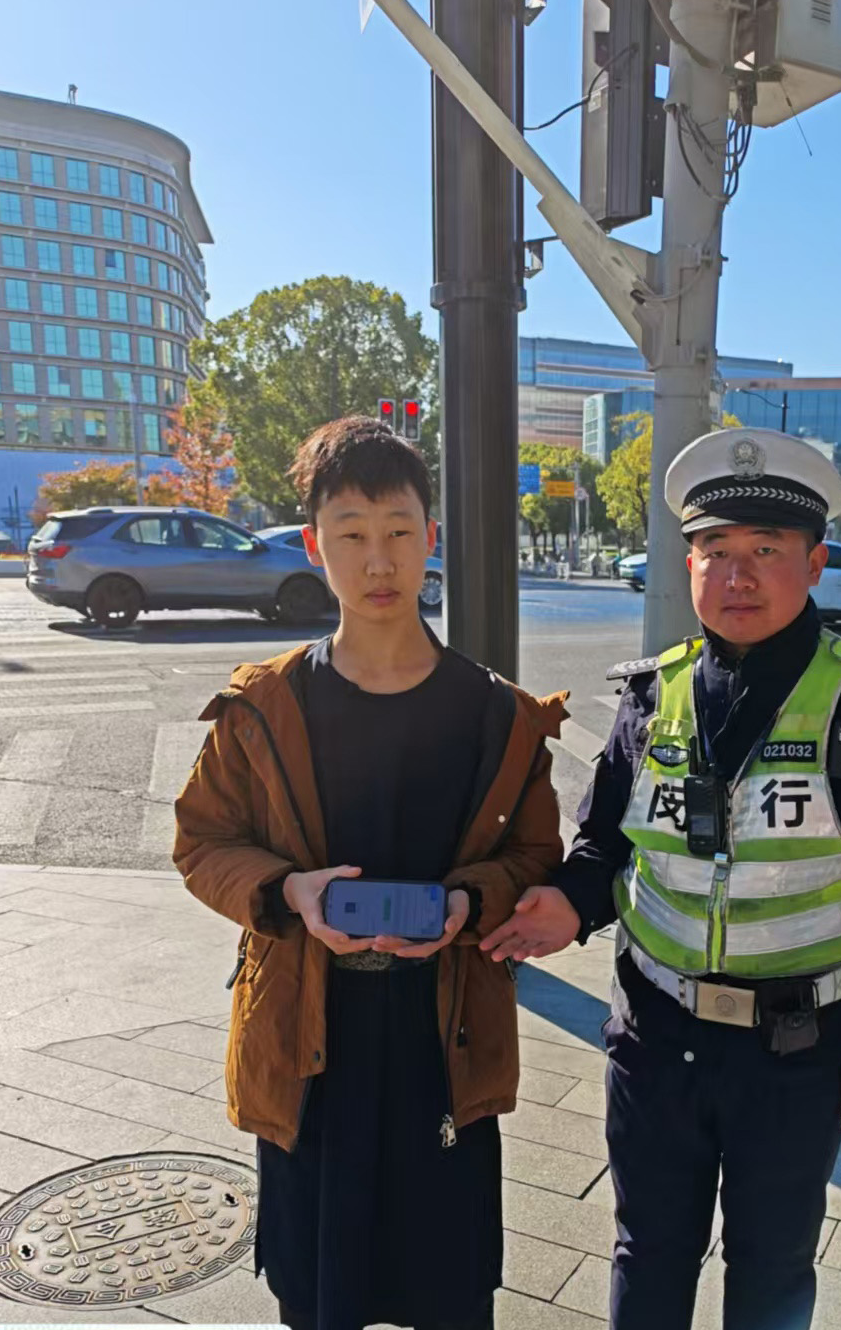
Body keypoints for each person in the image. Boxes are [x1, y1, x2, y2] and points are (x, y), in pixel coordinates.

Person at [482, 427, 841, 1330]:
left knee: (772, 1269)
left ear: (815, 563)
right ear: (688, 564)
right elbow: (607, 846)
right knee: (646, 1251)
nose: (736, 576)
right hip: (653, 1036)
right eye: (714, 551)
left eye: (765, 551)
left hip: (796, 1051)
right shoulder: (650, 696)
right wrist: (568, 905)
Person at [174, 416, 567, 1330]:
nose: (378, 561)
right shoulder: (266, 704)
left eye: (398, 531)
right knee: (317, 1293)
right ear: (314, 546)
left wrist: (469, 903)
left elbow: (534, 855)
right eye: (350, 534)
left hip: (444, 1035)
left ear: (431, 537)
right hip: (308, 1034)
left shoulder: (498, 715)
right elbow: (202, 841)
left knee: (449, 1289)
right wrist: (288, 893)